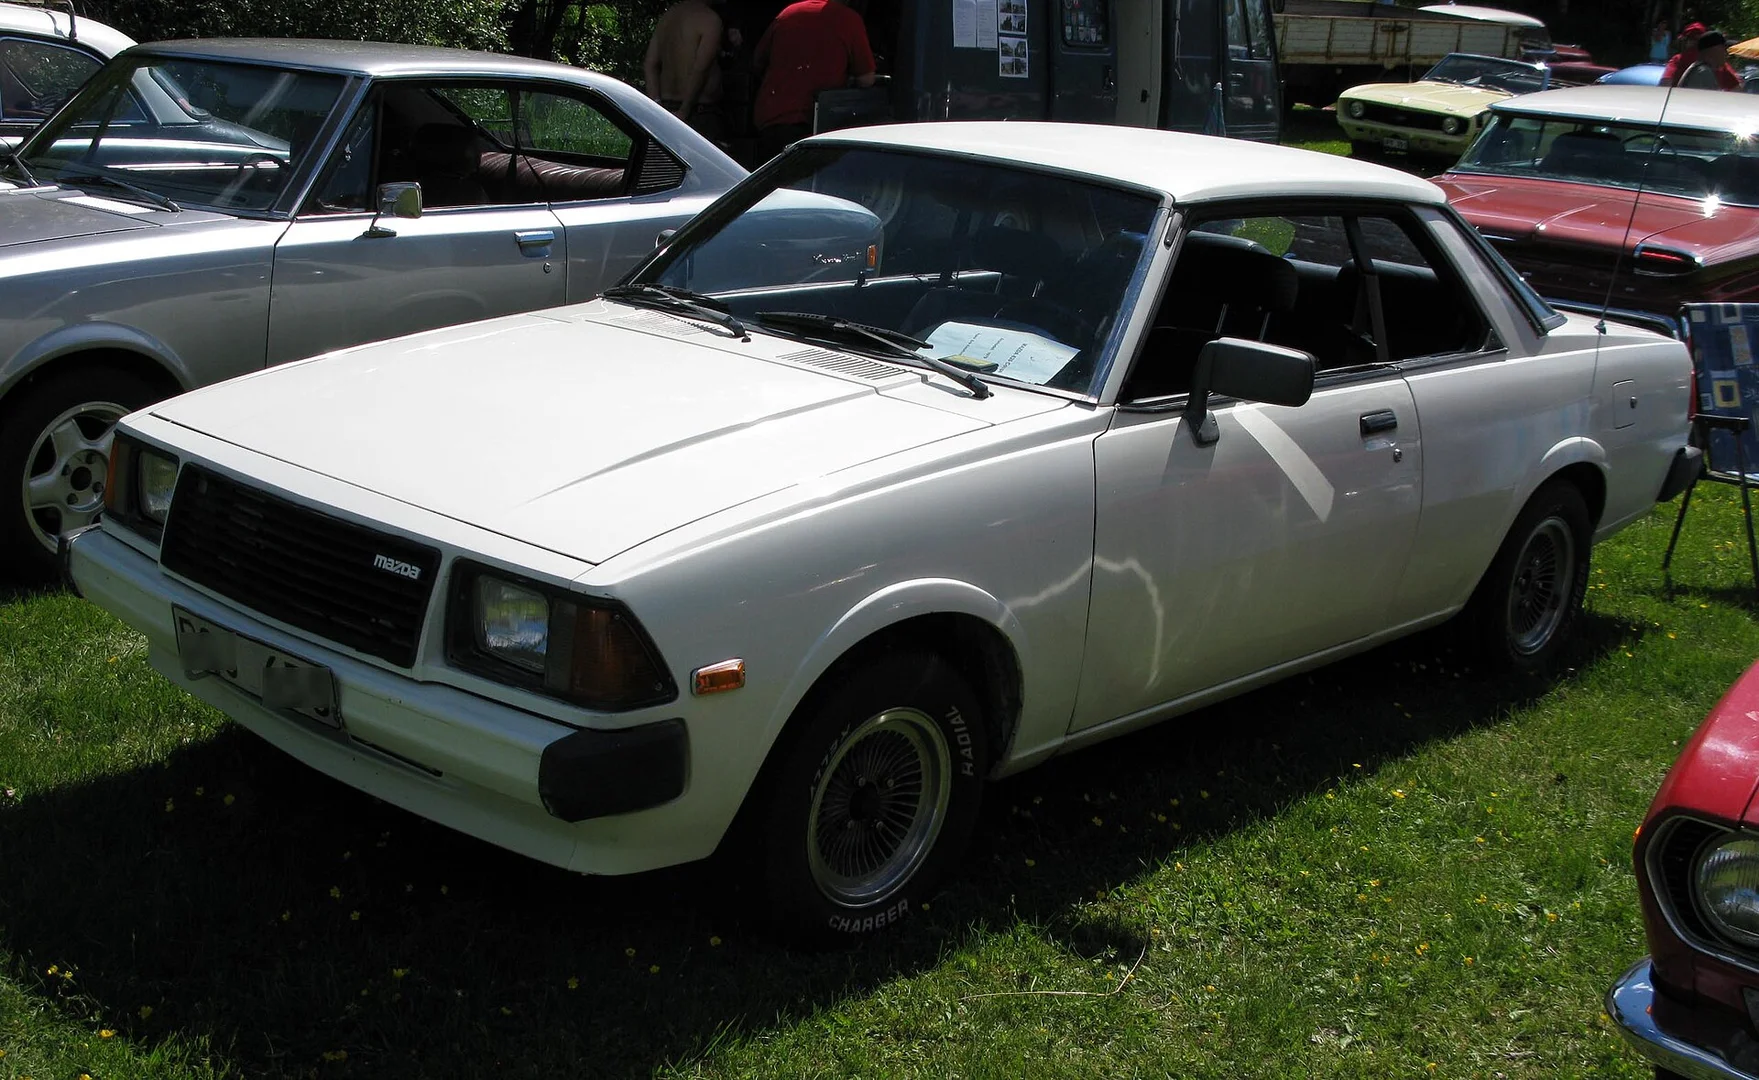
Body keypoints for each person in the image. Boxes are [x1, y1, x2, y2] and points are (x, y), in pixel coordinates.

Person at [751, 0, 876, 163]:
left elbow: (757, 62)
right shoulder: (849, 20)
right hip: (816, 127)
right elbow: (866, 79)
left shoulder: (788, 14)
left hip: (772, 122)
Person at [644, 0, 729, 143]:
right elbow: (701, 68)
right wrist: (685, 110)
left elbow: (649, 64)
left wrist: (656, 106)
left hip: (666, 109)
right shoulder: (710, 19)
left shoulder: (668, 17)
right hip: (699, 113)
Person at [1666, 28, 1743, 89]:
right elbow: (1711, 104)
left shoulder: (1700, 68)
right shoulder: (1703, 72)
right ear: (1713, 50)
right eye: (1723, 49)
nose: (1726, 53)